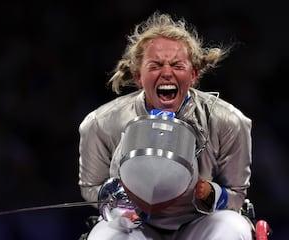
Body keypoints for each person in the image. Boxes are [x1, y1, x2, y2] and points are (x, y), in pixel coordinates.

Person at [78, 12, 253, 240]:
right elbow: (90, 186)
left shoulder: (229, 121)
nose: (167, 73)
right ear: (138, 77)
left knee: (233, 227)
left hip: (199, 224)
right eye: (155, 65)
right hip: (135, 227)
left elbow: (237, 193)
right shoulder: (100, 123)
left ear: (193, 75)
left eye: (177, 65)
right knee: (104, 236)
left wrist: (214, 193)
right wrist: (117, 201)